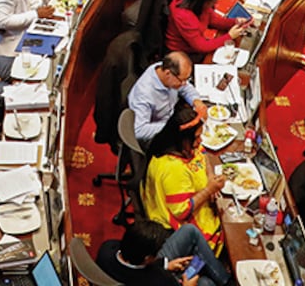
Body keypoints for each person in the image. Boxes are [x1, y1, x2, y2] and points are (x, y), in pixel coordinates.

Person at [141, 102, 228, 256]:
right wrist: (209, 190)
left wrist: (209, 177)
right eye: (197, 137)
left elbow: (203, 155)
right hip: (176, 221)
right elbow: (182, 211)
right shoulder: (173, 168)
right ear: (183, 139)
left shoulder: (183, 146)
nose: (200, 141)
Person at [97, 219, 232, 286]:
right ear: (148, 258)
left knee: (189, 231)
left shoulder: (106, 249)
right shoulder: (161, 280)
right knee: (205, 282)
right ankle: (227, 282)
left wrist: (165, 264)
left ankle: (226, 280)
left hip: (133, 274)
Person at [165, 0, 251, 62]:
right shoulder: (184, 16)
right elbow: (201, 46)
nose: (216, 3)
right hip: (183, 52)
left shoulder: (198, 4)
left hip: (195, 43)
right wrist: (229, 36)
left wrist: (234, 22)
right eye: (213, 1)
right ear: (203, 1)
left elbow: (213, 21)